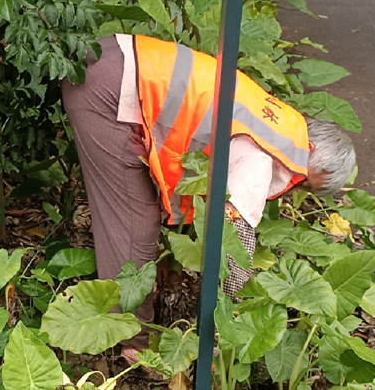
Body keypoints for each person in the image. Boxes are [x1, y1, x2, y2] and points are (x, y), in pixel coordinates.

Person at [62, 34, 356, 356]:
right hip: (110, 92)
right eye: (303, 182)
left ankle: (131, 323)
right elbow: (235, 245)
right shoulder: (263, 157)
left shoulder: (278, 122)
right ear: (310, 148)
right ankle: (133, 343)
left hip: (113, 58)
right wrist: (232, 307)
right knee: (134, 222)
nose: (294, 188)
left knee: (139, 215)